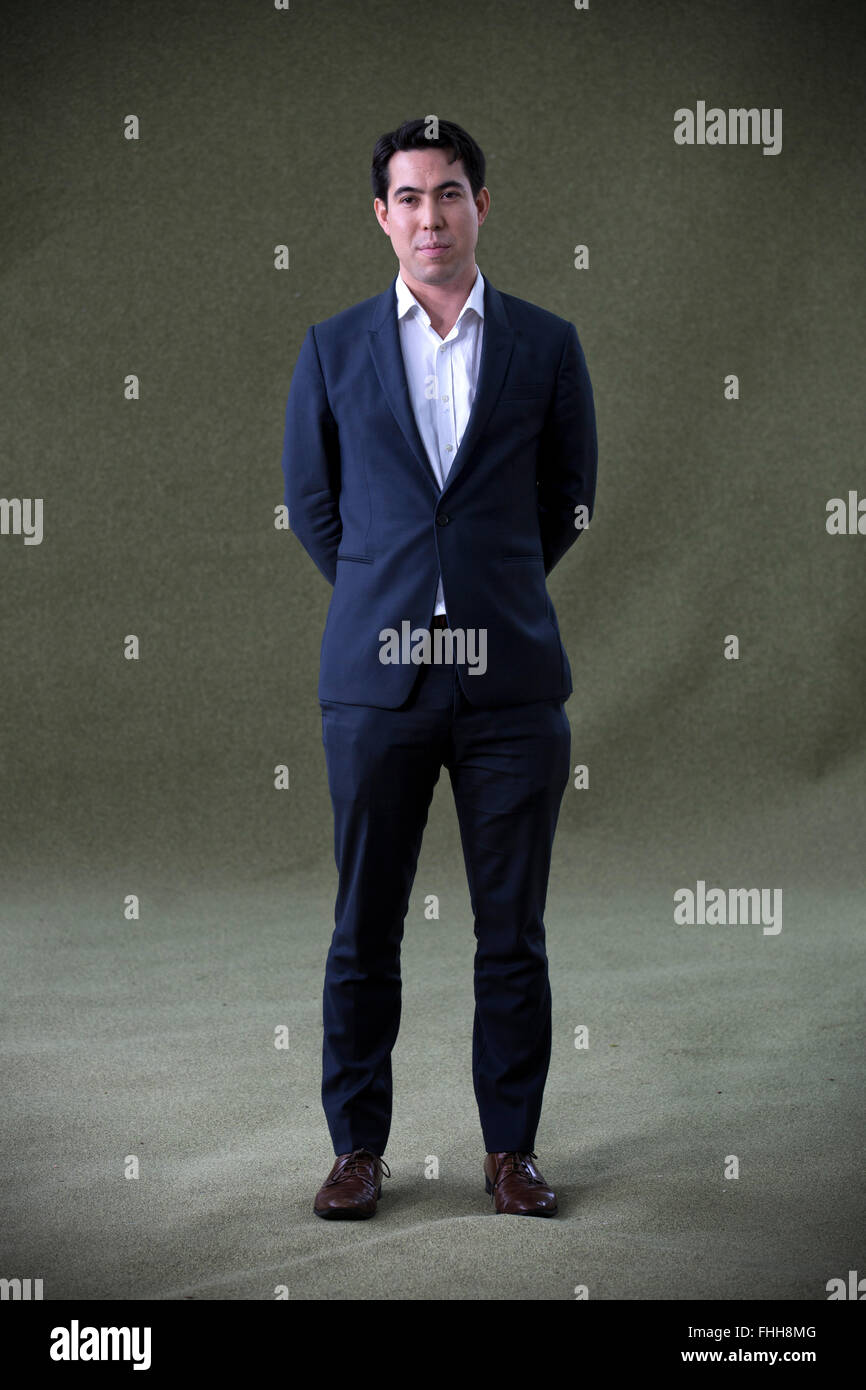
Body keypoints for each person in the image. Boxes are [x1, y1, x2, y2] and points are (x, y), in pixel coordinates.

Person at [280, 117, 597, 1219]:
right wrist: (395, 594)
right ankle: (355, 1151)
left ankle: (508, 1153)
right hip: (377, 685)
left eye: (449, 193)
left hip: (510, 689)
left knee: (511, 931)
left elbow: (569, 497)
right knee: (363, 927)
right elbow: (316, 512)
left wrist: (489, 585)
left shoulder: (545, 344)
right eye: (408, 197)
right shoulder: (331, 348)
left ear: (481, 205)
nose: (430, 216)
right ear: (381, 215)